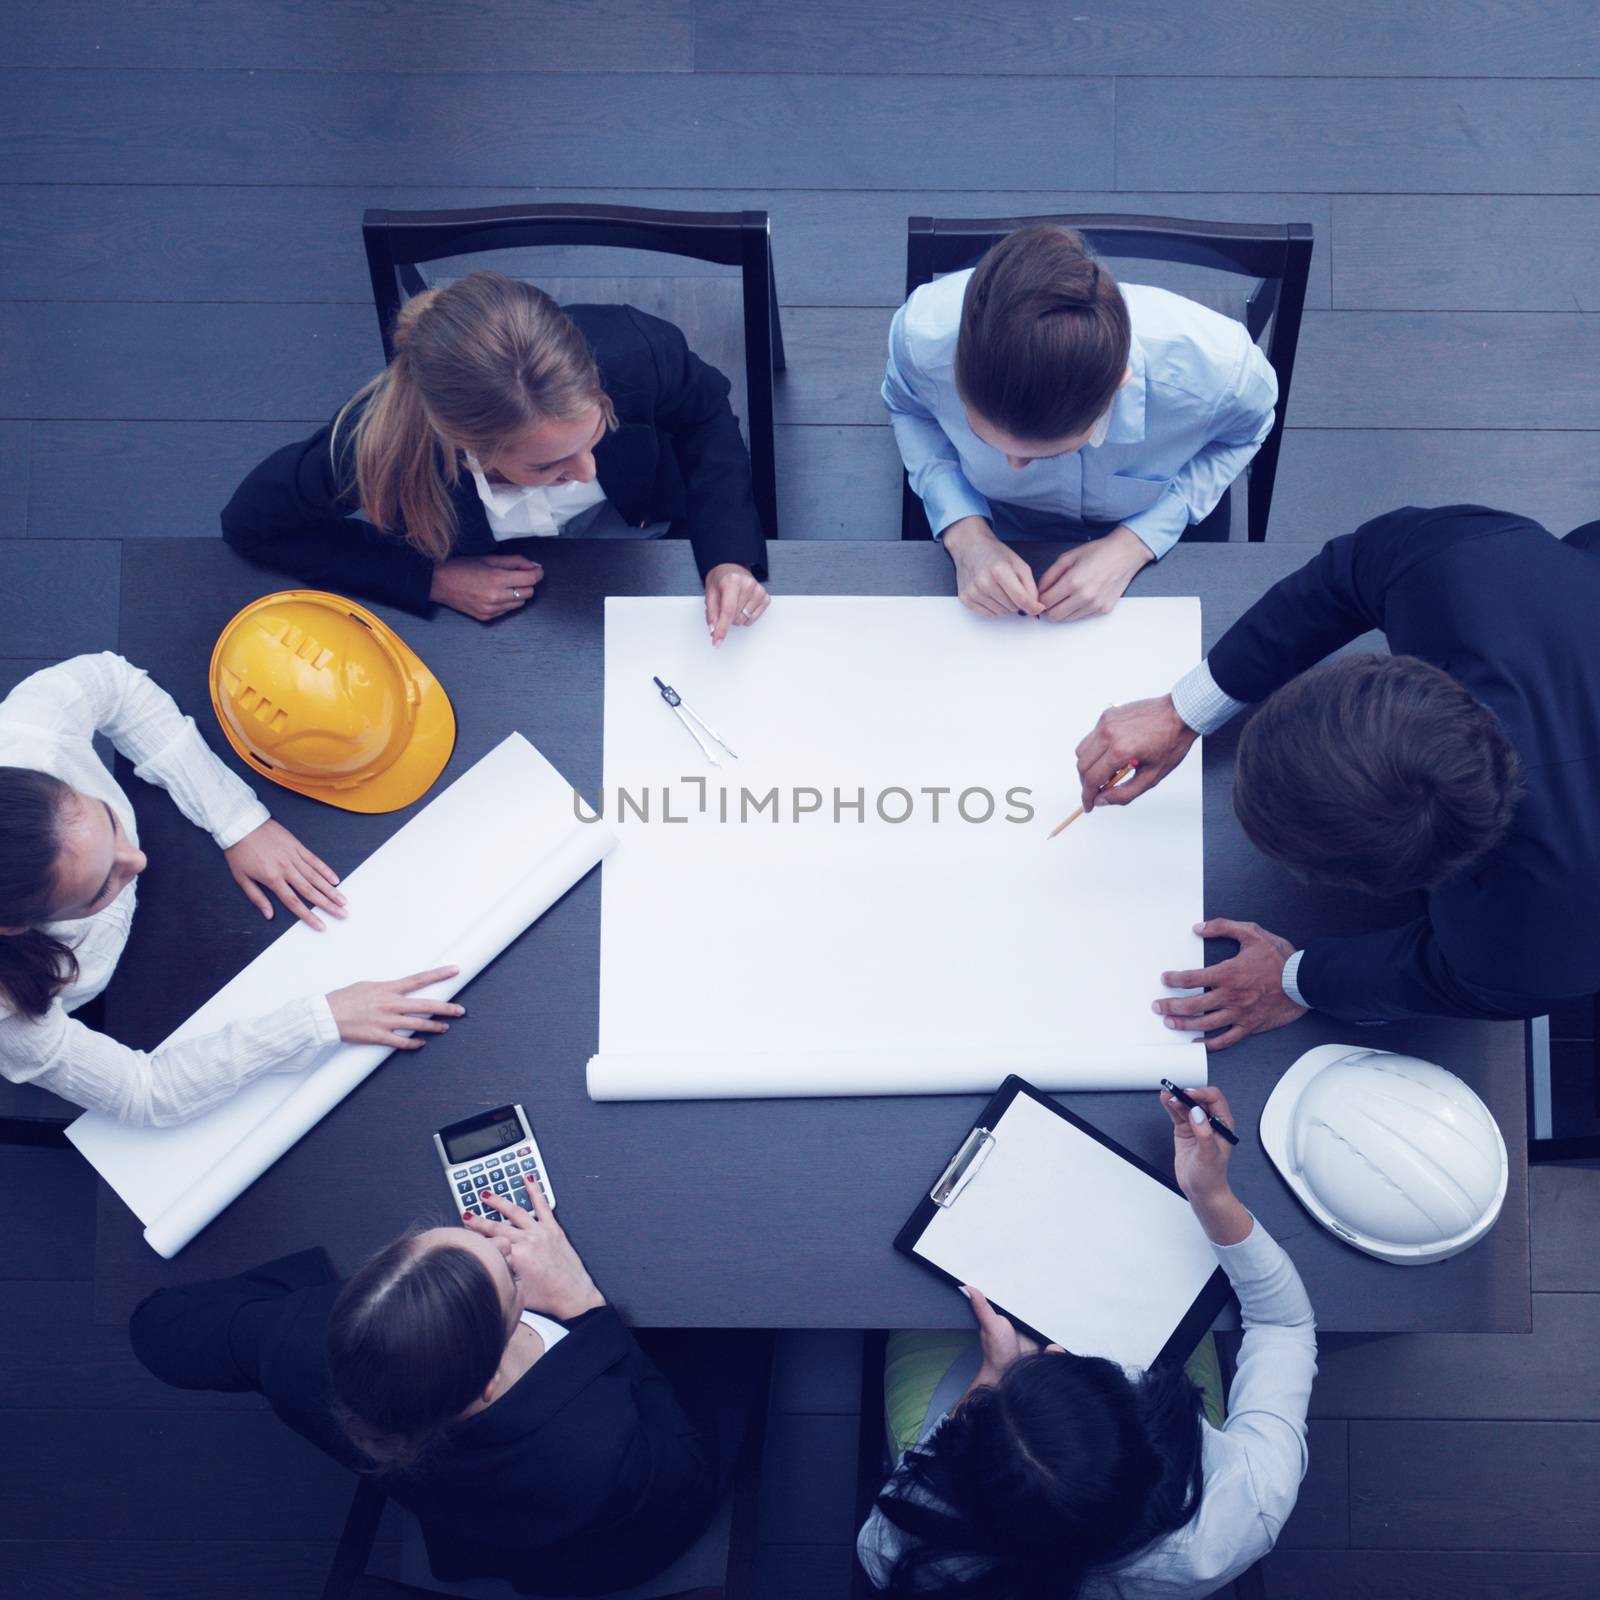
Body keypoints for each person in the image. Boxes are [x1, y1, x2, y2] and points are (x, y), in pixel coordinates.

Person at [1073, 505, 1600, 1044]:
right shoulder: (1460, 560)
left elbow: (1465, 980)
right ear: (1371, 678)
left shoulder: (1546, 946)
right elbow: (1346, 575)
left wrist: (1293, 980)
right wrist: (1184, 709)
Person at [130, 1176, 762, 1596]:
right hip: (606, 1544)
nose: (514, 1255)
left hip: (472, 1523)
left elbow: (157, 1329)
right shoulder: (598, 1450)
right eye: (511, 1279)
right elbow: (687, 1475)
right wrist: (585, 1306)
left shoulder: (299, 1346)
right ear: (487, 1381)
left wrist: (288, 1307)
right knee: (743, 1316)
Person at [857, 1086, 1315, 1598]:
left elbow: (891, 1518)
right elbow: (1284, 1325)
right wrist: (1213, 1196)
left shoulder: (903, 1549)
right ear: (1156, 1438)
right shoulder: (1242, 1511)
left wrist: (991, 1374)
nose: (1057, 1349)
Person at [0, 653, 462, 1124]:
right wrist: (320, 1022)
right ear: (15, 926)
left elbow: (116, 685)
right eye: (101, 888)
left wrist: (235, 819)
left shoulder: (28, 735)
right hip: (112, 988)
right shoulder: (9, 1022)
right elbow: (147, 1093)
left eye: (111, 822)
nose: (138, 861)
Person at [222, 271, 771, 645]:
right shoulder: (374, 446)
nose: (586, 471)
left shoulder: (638, 354)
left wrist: (728, 556)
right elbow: (251, 524)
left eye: (595, 433)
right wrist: (428, 579)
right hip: (494, 597)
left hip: (647, 528)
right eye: (545, 466)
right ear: (468, 448)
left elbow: (707, 419)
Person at [883, 225, 1277, 623]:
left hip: (1149, 541)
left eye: (1048, 451)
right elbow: (907, 406)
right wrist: (964, 532)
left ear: (1117, 387)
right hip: (986, 523)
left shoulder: (1223, 375)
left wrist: (1136, 542)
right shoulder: (920, 339)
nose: (1011, 467)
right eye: (981, 432)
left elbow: (1250, 430)